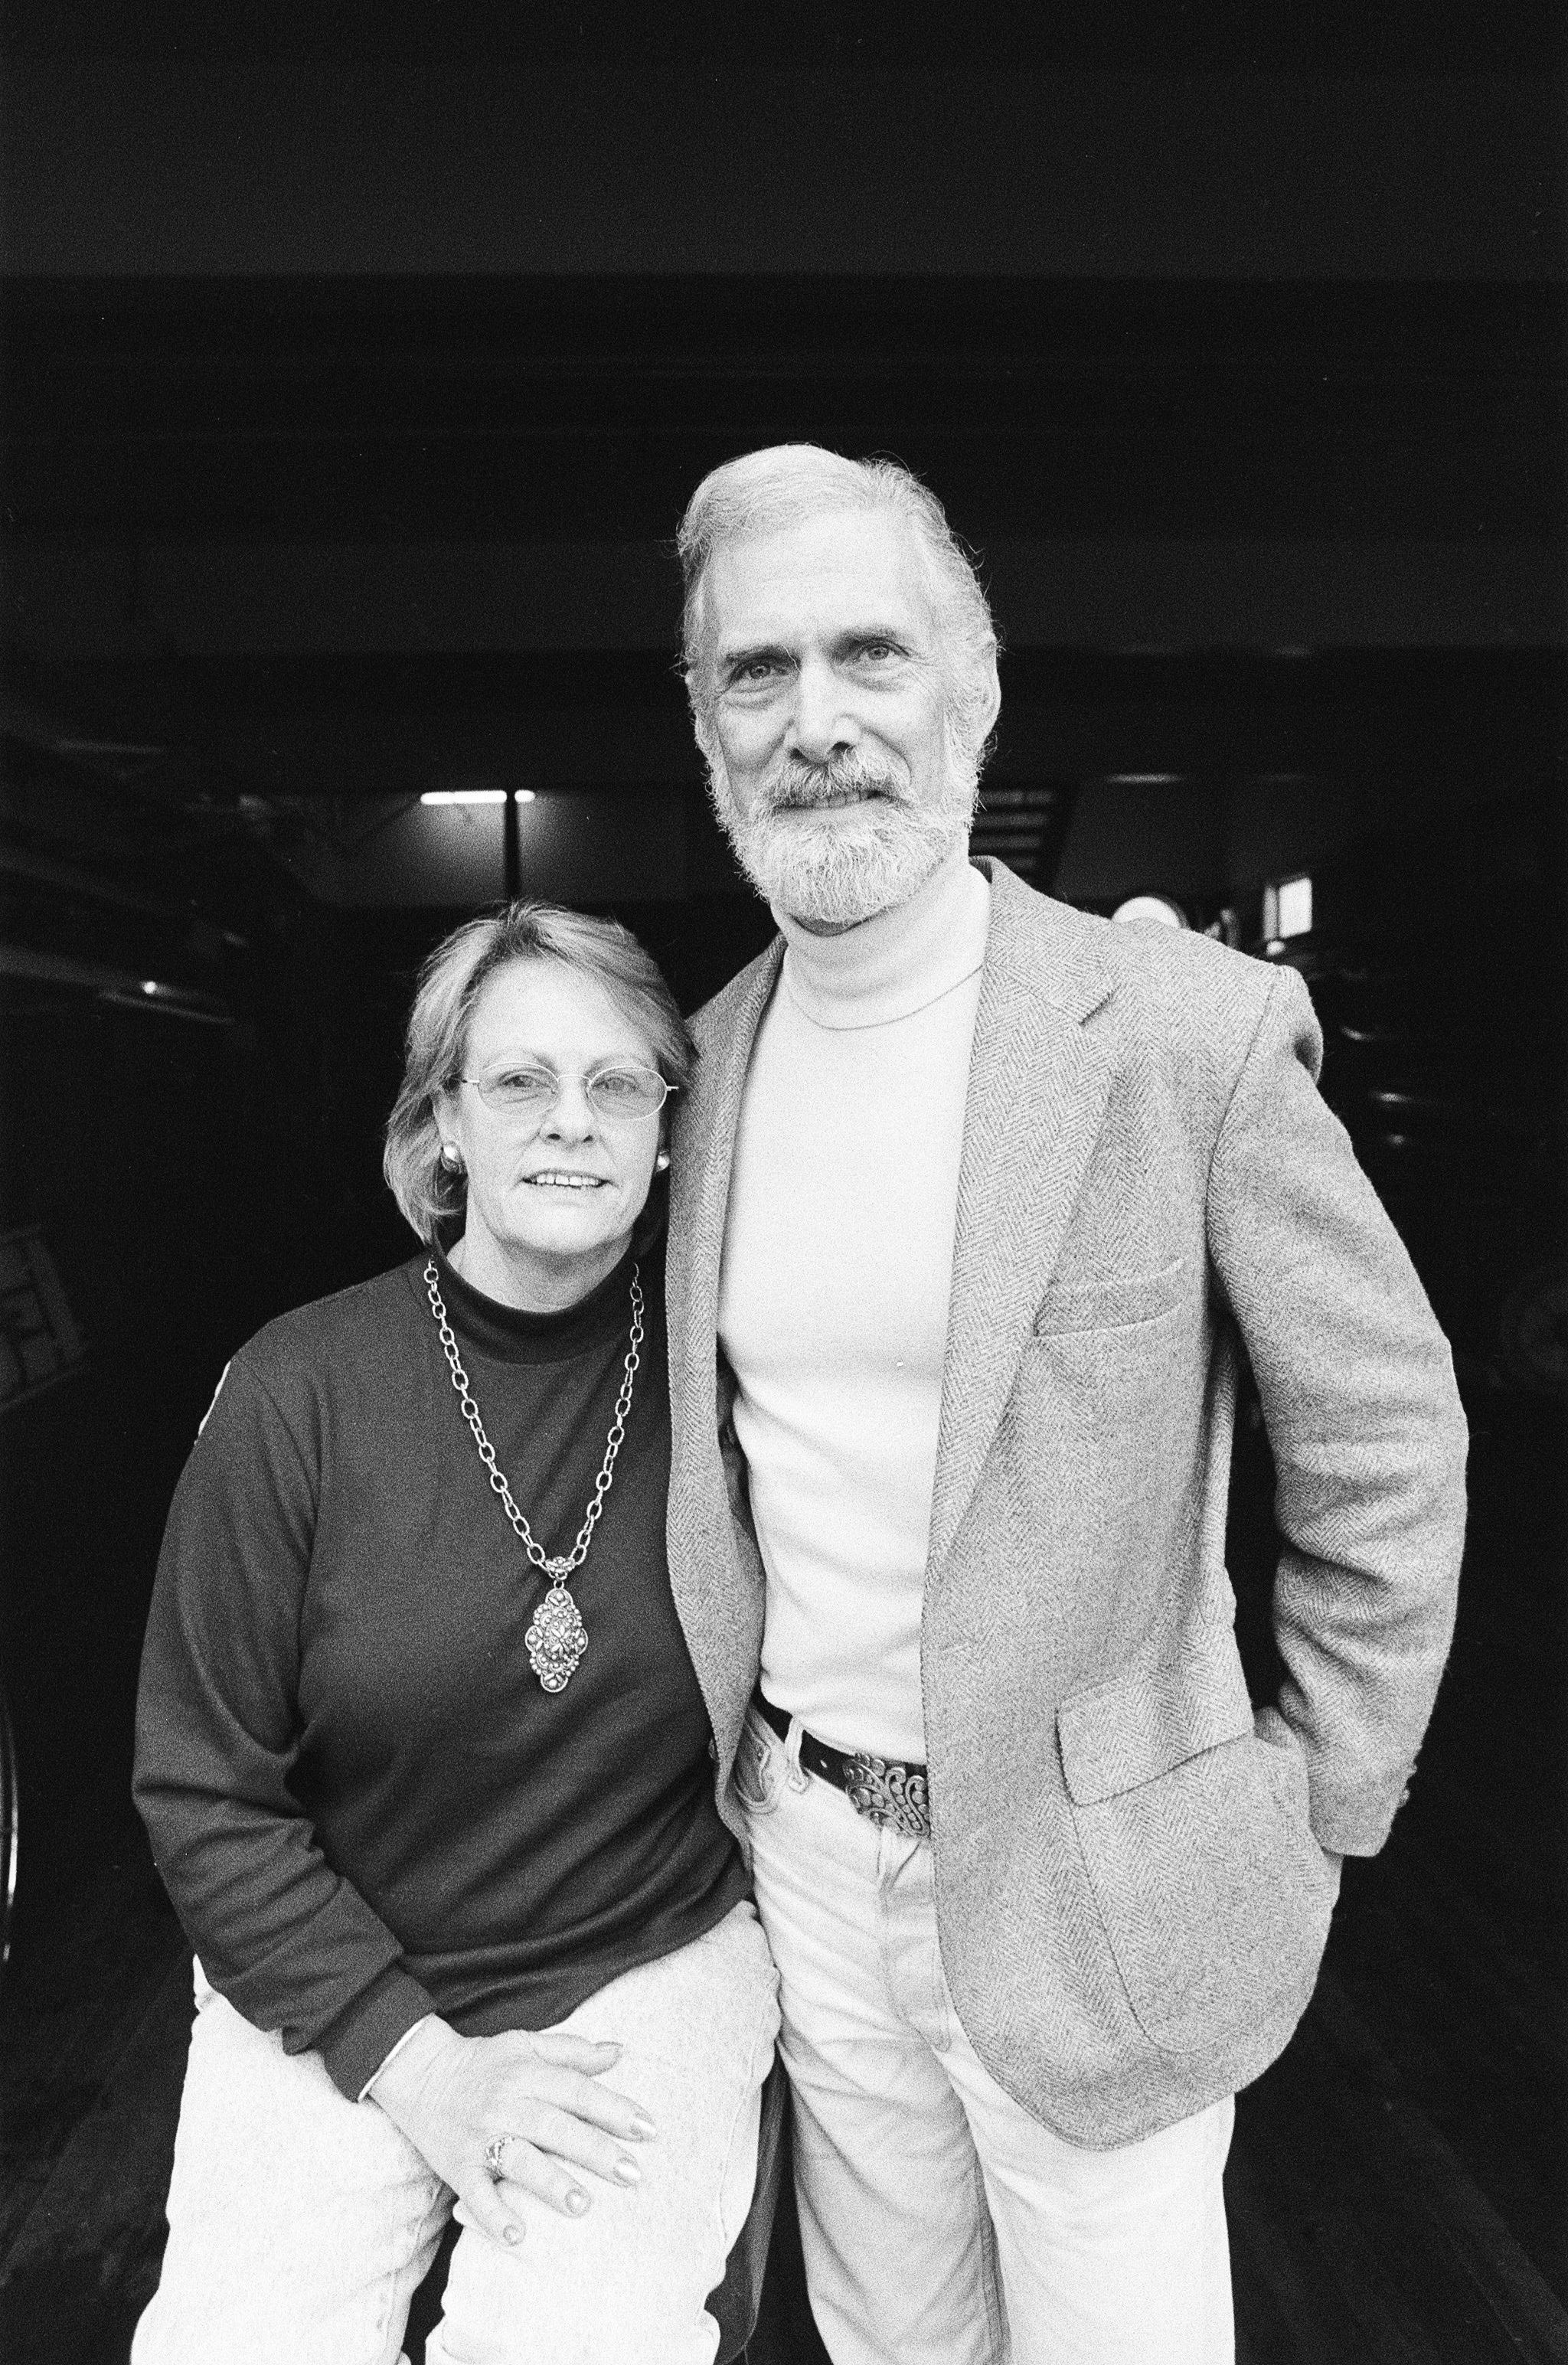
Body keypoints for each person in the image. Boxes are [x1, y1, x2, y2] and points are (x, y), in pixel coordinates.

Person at [661, 444, 1469, 2365]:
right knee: (891, 2343)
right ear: (702, 726)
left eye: (870, 653)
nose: (817, 720)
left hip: (1099, 1882)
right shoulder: (696, 1067)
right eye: (757, 670)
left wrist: (1318, 1801)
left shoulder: (1181, 1033)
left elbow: (1382, 1433)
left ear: (975, 686)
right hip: (804, 1857)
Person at [131, 902, 779, 2365]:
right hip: (334, 1969)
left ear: (668, 1133)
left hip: (639, 1956)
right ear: (443, 1129)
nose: (573, 1121)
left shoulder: (729, 1385)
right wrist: (412, 2062)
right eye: (519, 1080)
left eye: (618, 1082)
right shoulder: (295, 1392)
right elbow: (200, 1790)